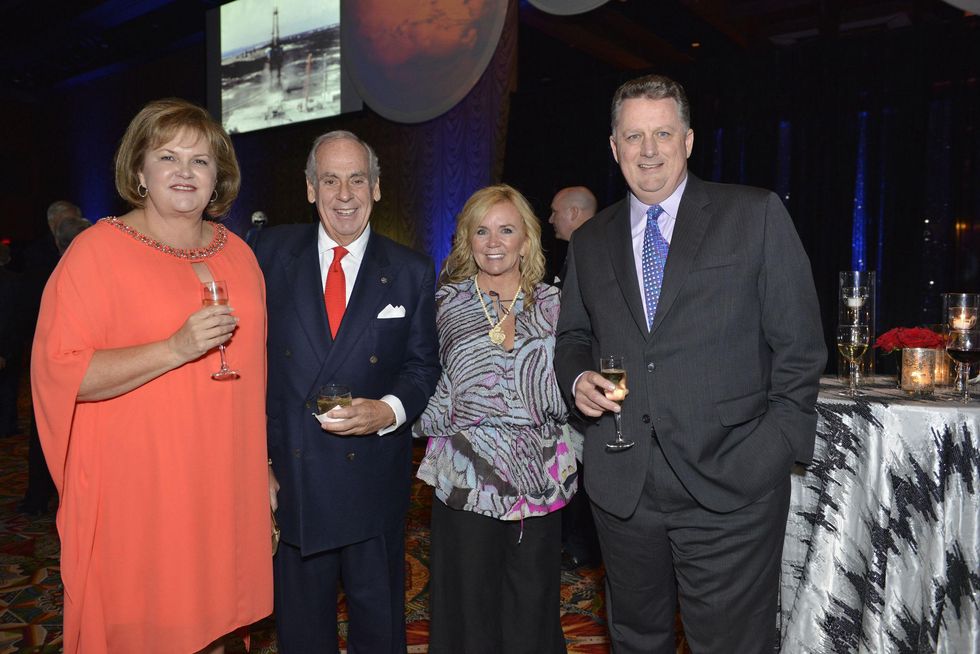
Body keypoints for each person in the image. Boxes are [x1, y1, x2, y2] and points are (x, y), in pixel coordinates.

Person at [554, 74, 826, 654]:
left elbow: (800, 347)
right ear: (613, 147)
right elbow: (573, 335)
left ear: (689, 140)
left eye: (662, 134)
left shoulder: (753, 215)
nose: (648, 150)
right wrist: (577, 377)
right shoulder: (590, 240)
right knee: (637, 641)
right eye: (633, 137)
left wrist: (775, 447)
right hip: (624, 487)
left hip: (732, 484)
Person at [31, 98, 272, 653]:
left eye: (201, 160)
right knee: (149, 626)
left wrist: (262, 466)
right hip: (138, 486)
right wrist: (173, 348)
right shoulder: (95, 253)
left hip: (221, 480)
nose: (186, 172)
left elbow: (254, 377)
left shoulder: (239, 254)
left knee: (216, 621)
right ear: (139, 171)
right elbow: (62, 374)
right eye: (168, 157)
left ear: (219, 177)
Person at [255, 130, 440, 653]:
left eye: (357, 179)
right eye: (330, 179)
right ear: (310, 188)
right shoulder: (267, 254)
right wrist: (256, 462)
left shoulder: (410, 270)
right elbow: (246, 367)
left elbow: (424, 366)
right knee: (302, 632)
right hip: (292, 479)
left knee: (379, 629)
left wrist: (388, 409)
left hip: (373, 480)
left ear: (377, 187)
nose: (344, 193)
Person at [414, 184, 577, 654]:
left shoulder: (557, 305)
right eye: (481, 231)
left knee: (532, 606)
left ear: (526, 239)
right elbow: (429, 381)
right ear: (468, 239)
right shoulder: (445, 305)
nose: (493, 242)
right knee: (467, 607)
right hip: (466, 477)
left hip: (539, 479)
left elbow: (569, 390)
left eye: (506, 230)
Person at [19, 216, 92, 515]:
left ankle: (40, 498)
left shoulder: (40, 266)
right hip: (65, 365)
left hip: (54, 365)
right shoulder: (69, 272)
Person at [548, 186, 602, 571]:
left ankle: (584, 547)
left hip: (593, 385)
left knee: (587, 469)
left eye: (554, 212)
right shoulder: (574, 254)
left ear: (572, 213)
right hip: (575, 385)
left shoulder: (597, 251)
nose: (549, 220)